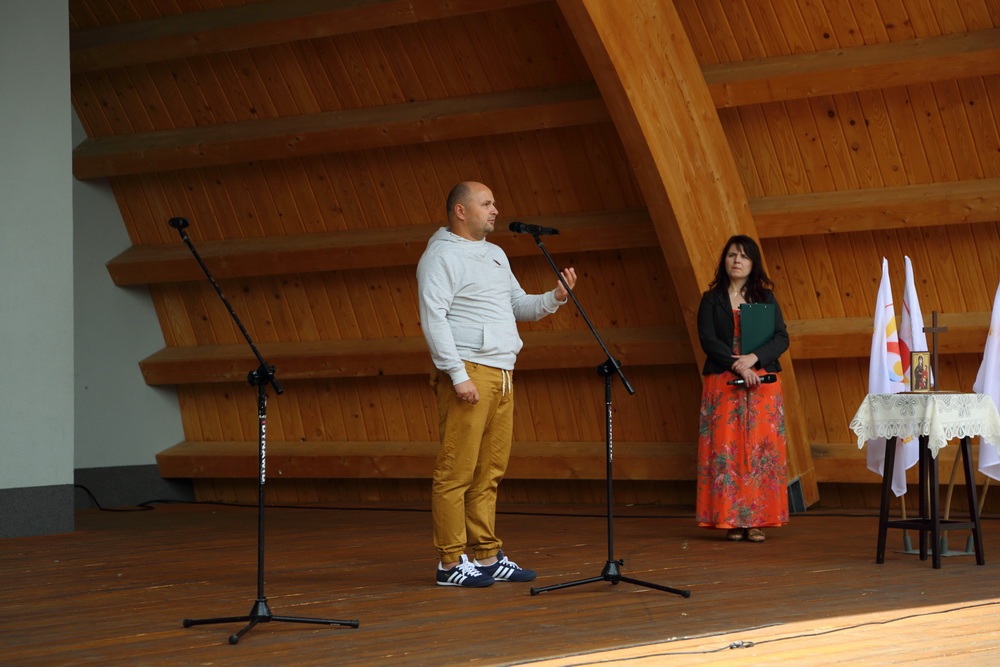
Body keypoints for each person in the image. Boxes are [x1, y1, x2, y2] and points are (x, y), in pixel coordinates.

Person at [416, 181, 577, 587]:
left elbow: (517, 305)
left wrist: (555, 296)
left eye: (494, 203)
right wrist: (457, 375)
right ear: (460, 211)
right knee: (456, 470)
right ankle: (450, 563)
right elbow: (434, 319)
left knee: (489, 471)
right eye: (486, 203)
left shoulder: (495, 254)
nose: (495, 210)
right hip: (470, 370)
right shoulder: (440, 256)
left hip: (503, 372)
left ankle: (486, 556)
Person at [695, 235, 789, 543]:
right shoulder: (711, 299)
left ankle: (757, 520)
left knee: (760, 451)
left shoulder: (766, 297)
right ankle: (731, 519)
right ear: (725, 260)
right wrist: (740, 365)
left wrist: (754, 359)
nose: (737, 260)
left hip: (762, 382)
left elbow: (781, 337)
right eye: (732, 255)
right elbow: (708, 341)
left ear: (753, 263)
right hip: (723, 380)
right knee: (726, 451)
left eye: (744, 256)